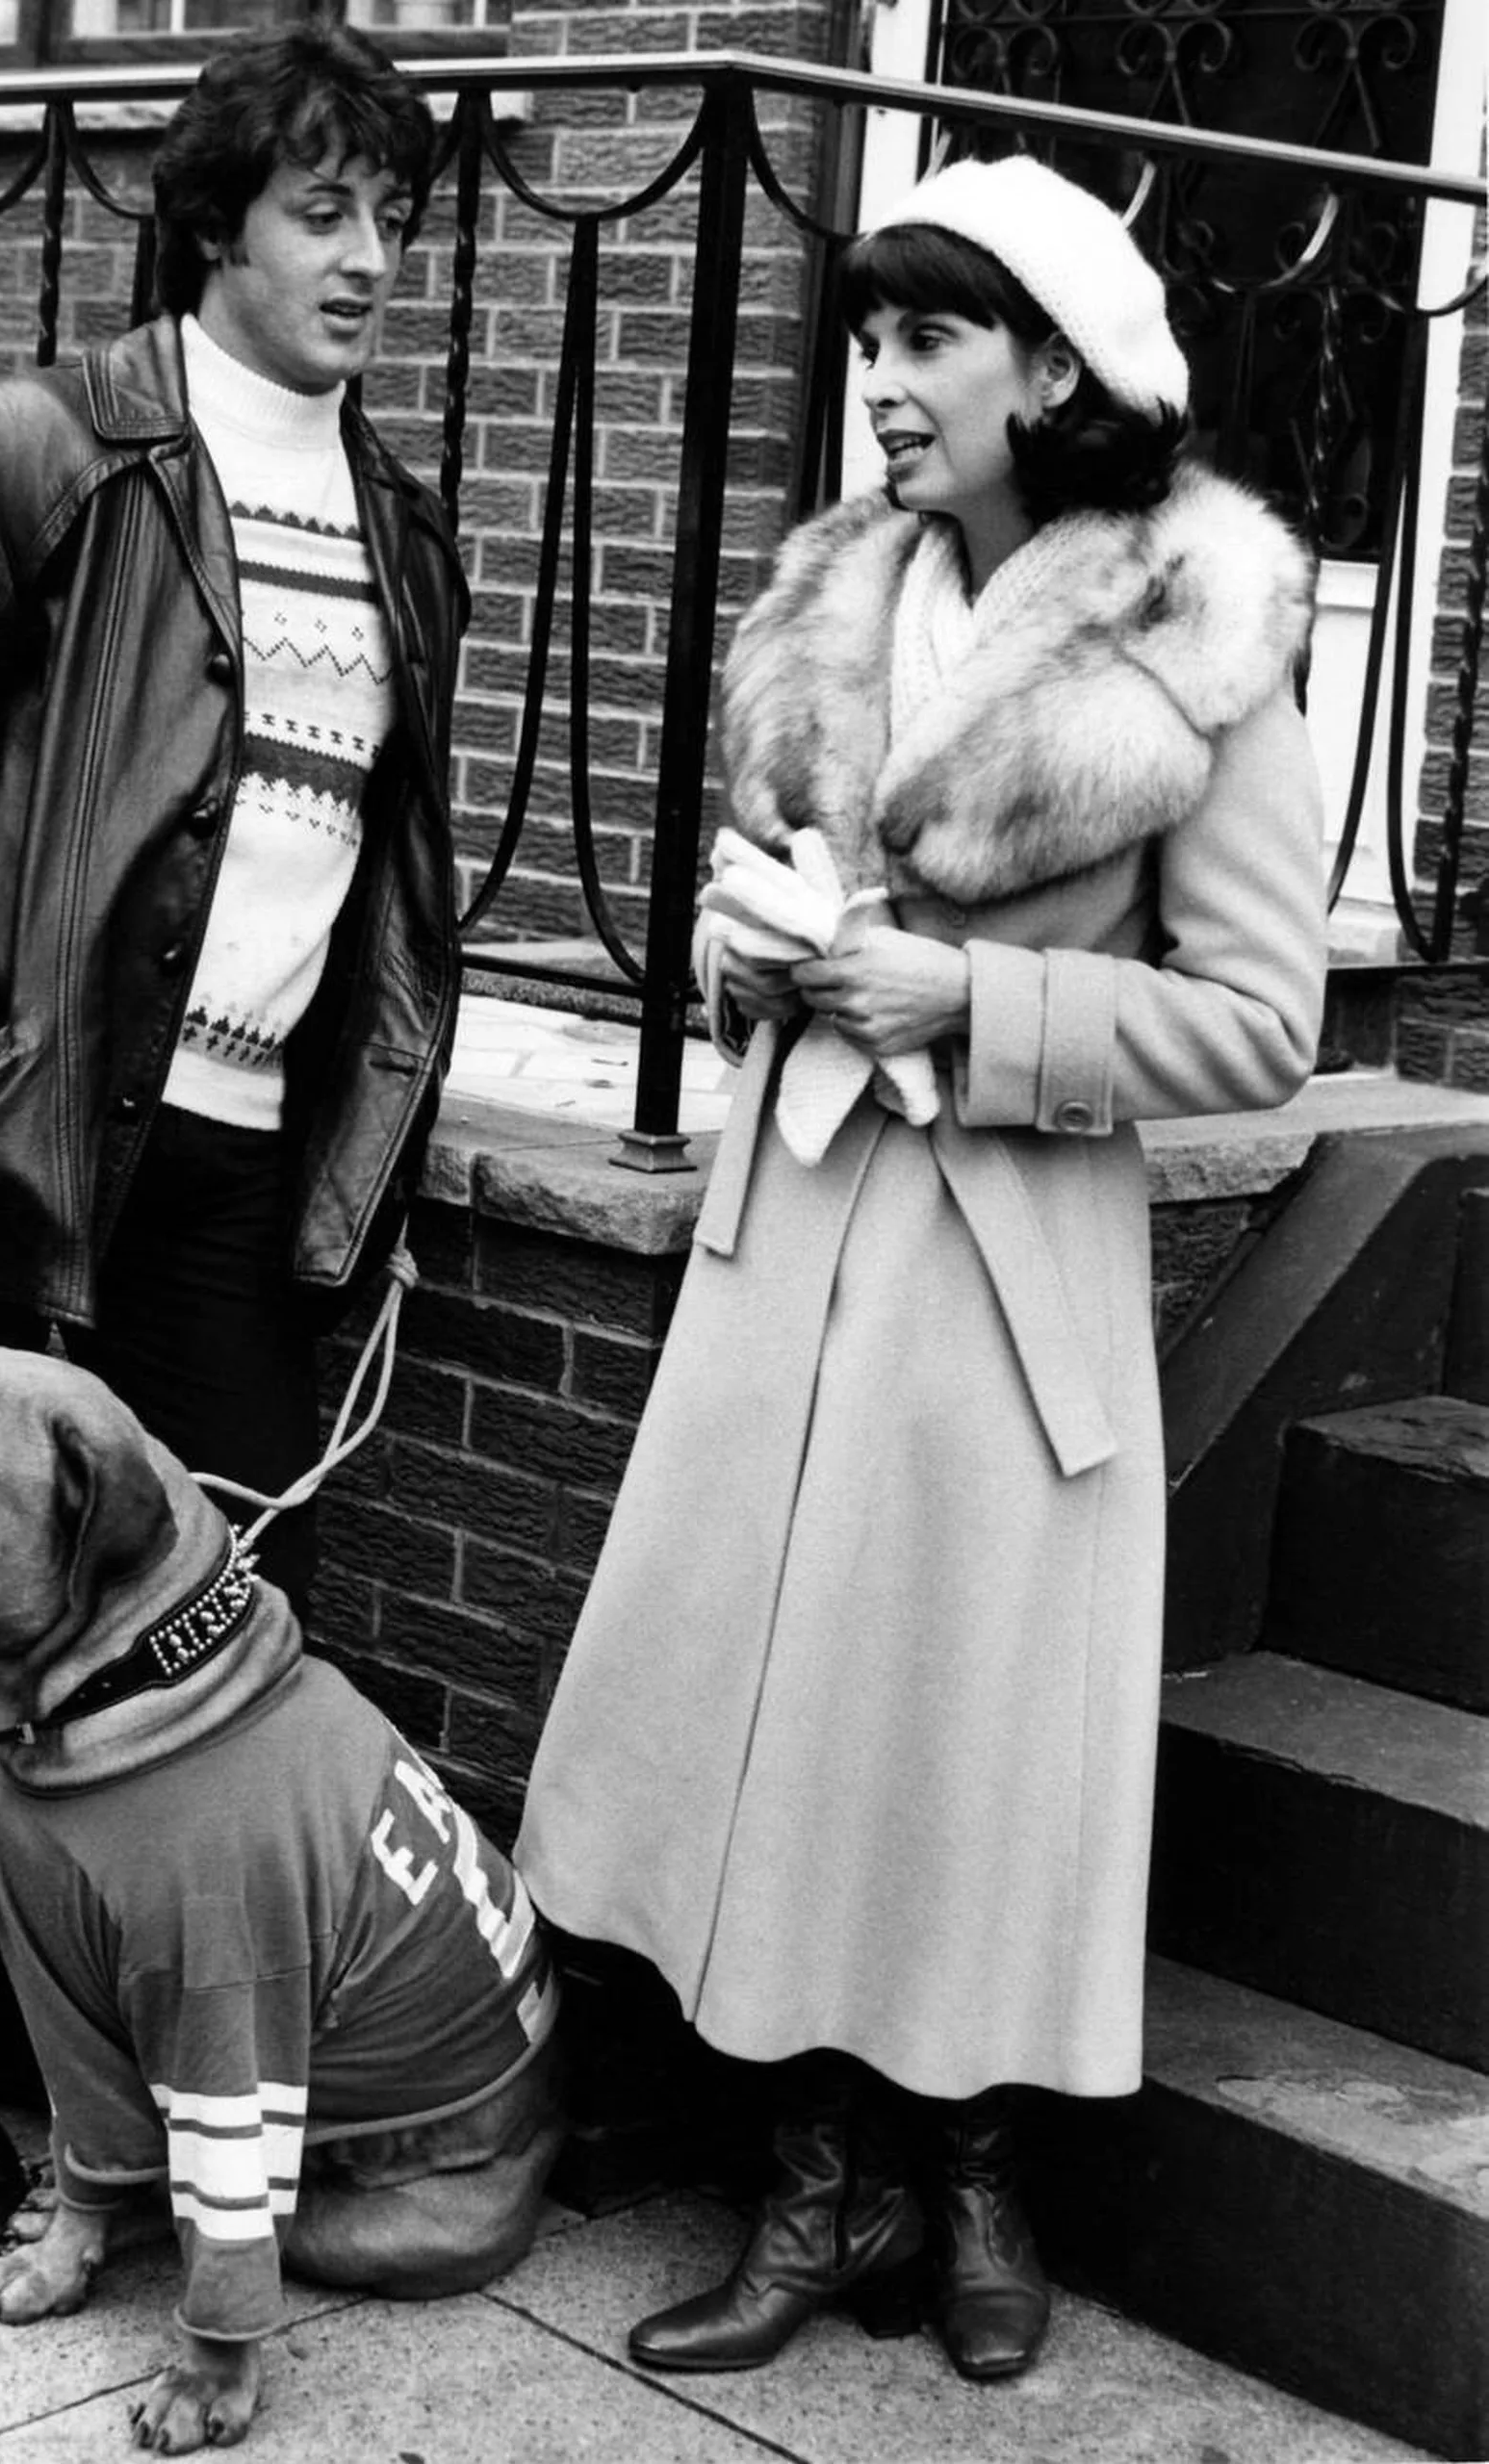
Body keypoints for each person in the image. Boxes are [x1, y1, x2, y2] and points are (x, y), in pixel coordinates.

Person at [514, 153, 1326, 2386]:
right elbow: (763, 889)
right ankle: (808, 2178)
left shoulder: (1200, 627)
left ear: (1047, 370)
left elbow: (1260, 1023)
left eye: (921, 342)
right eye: (865, 340)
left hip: (994, 1266)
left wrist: (964, 1005)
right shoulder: (827, 605)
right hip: (788, 1244)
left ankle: (964, 2169)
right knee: (771, 1712)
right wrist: (742, 945)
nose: (875, 387)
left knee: (952, 1733)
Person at [0, 20, 466, 2269]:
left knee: (208, 1638)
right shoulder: (34, 450)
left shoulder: (395, 518)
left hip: (246, 1183)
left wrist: (364, 1157)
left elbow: (384, 874)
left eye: (392, 215)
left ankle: (167, 2086)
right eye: (321, 208)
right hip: (16, 1151)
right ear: (213, 222)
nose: (368, 257)